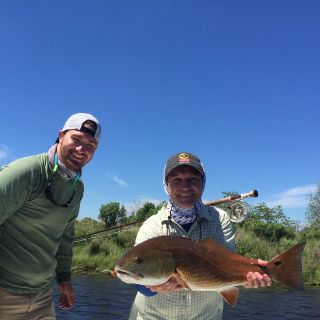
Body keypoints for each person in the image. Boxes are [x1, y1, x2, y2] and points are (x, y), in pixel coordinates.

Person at [129, 152, 272, 320]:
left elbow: (229, 264)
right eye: (176, 180)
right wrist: (151, 287)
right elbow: (136, 279)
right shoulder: (151, 226)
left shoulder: (221, 219)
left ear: (203, 184)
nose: (185, 187)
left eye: (193, 179)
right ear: (166, 186)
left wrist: (252, 272)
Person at [0, 113, 101, 319]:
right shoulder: (25, 173)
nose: (82, 150)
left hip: (43, 297)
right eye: (76, 139)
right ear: (60, 136)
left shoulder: (77, 189)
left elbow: (65, 236)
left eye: (90, 145)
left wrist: (64, 278)